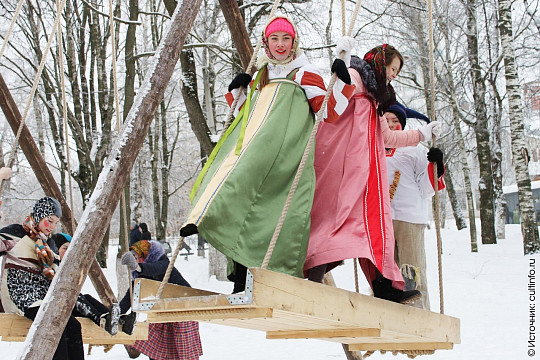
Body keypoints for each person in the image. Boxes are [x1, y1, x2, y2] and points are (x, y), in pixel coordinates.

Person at [180, 15, 355, 293]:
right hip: (257, 148)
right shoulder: (261, 75)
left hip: (287, 155)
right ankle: (210, 227)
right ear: (266, 42)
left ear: (294, 42)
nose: (280, 44)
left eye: (286, 38)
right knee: (236, 187)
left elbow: (328, 112)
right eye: (274, 38)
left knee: (272, 214)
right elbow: (242, 115)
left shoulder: (304, 73)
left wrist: (341, 80)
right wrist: (237, 90)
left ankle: (265, 276)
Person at [304, 46, 440, 303]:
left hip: (363, 171)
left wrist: (422, 134)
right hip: (342, 164)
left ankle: (382, 286)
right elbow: (331, 108)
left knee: (371, 227)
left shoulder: (375, 96)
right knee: (332, 219)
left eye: (397, 71)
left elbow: (387, 137)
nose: (394, 75)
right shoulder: (355, 78)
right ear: (381, 63)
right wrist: (340, 72)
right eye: (393, 69)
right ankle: (314, 277)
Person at [0, 197, 85, 359]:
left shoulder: (49, 245)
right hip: (18, 295)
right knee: (53, 324)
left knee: (73, 325)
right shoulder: (16, 233)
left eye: (55, 223)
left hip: (42, 297)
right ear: (39, 216)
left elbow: (56, 276)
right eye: (49, 221)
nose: (52, 227)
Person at [384, 102, 446, 309]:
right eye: (386, 120)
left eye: (395, 121)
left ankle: (421, 317)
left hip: (409, 217)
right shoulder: (372, 150)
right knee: (387, 275)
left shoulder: (414, 149)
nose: (391, 125)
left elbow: (427, 185)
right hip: (382, 220)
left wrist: (435, 165)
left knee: (412, 271)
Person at [120, 240, 203, 360]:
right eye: (134, 259)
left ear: (145, 255)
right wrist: (117, 311)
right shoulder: (141, 274)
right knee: (156, 350)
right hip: (161, 314)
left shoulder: (162, 261)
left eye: (137, 257)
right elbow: (130, 296)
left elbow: (157, 268)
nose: (136, 261)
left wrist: (138, 267)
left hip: (183, 310)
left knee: (182, 352)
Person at [51, 232, 121, 334]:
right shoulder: (52, 265)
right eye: (65, 248)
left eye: (70, 249)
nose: (68, 252)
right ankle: (100, 319)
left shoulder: (64, 266)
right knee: (76, 299)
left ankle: (111, 317)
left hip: (67, 303)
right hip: (57, 306)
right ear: (56, 249)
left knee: (86, 297)